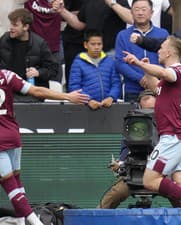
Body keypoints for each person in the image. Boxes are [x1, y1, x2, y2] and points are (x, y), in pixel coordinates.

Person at [124, 35, 181, 225]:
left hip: (173, 137)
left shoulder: (177, 71)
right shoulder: (170, 79)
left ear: (169, 52)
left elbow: (165, 74)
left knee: (149, 181)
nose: (158, 50)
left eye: (161, 47)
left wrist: (139, 63)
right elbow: (155, 86)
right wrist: (148, 71)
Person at [0, 68, 89, 225]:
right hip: (12, 134)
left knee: (11, 187)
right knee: (17, 184)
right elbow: (37, 91)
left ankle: (36, 223)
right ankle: (21, 221)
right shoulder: (6, 75)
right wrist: (67, 96)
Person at [98, 89, 156, 208]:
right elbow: (125, 151)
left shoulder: (166, 124)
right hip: (132, 177)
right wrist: (120, 164)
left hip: (158, 176)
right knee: (106, 202)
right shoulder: (132, 126)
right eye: (145, 110)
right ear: (139, 106)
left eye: (152, 109)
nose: (149, 113)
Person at [0, 8, 59, 102]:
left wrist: (38, 72)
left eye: (15, 25)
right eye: (11, 24)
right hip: (7, 94)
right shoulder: (4, 39)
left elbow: (54, 69)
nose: (10, 27)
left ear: (26, 27)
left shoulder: (40, 44)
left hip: (31, 96)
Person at [115, 0, 169, 102]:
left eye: (144, 9)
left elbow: (167, 60)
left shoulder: (163, 34)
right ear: (131, 12)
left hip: (158, 87)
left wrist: (153, 77)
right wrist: (140, 78)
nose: (140, 13)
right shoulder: (123, 35)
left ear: (151, 12)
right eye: (136, 9)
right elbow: (119, 63)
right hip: (132, 89)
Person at [68, 29, 121, 110]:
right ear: (85, 45)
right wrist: (89, 101)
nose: (96, 47)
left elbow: (116, 83)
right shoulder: (78, 63)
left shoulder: (110, 61)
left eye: (99, 44)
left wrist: (111, 97)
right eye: (93, 44)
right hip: (85, 108)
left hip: (109, 107)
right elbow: (74, 87)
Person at [24, 0, 63, 83]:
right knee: (32, 82)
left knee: (55, 83)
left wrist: (63, 8)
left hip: (54, 47)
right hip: (33, 48)